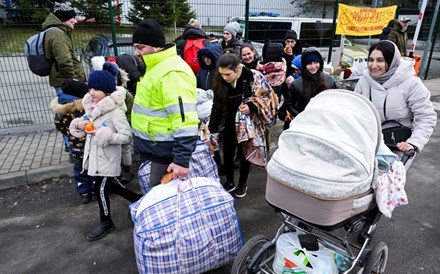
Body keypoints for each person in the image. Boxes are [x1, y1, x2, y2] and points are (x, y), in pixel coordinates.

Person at [69, 70, 142, 241]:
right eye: (90, 88)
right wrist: (80, 125)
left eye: (96, 89)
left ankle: (106, 221)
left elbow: (126, 136)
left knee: (100, 188)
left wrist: (102, 134)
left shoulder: (115, 112)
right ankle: (135, 198)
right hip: (95, 157)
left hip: (107, 159)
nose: (91, 92)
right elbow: (86, 126)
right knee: (107, 186)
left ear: (107, 91)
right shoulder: (92, 108)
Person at [131, 19, 199, 187]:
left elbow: (185, 121)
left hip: (168, 154)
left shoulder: (172, 73)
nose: (136, 53)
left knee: (159, 198)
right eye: (135, 47)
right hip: (159, 150)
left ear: (156, 47)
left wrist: (181, 161)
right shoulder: (157, 67)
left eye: (140, 47)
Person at [209, 53, 278, 198]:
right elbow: (216, 107)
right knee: (227, 153)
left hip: (248, 124)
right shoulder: (219, 81)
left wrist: (251, 107)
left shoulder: (253, 77)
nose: (224, 78)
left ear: (237, 69)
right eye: (221, 74)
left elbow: (265, 97)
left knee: (244, 154)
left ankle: (242, 183)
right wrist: (212, 130)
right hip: (228, 123)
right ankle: (229, 182)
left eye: (228, 74)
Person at [354, 40, 436, 154]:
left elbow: (425, 116)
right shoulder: (364, 81)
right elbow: (354, 110)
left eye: (380, 60)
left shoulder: (411, 83)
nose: (373, 65)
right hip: (369, 142)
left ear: (392, 61)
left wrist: (413, 142)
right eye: (371, 60)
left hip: (398, 144)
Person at [42, 2, 85, 156]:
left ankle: (71, 145)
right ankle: (74, 149)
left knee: (67, 114)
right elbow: (65, 60)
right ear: (63, 18)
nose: (75, 20)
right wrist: (72, 81)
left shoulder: (58, 31)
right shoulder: (57, 34)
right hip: (65, 82)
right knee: (70, 116)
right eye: (72, 17)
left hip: (62, 80)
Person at [50, 79, 95, 204]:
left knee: (79, 168)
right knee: (93, 167)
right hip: (89, 144)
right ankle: (94, 189)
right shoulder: (85, 108)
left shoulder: (61, 110)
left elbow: (59, 126)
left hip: (74, 146)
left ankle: (84, 192)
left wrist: (69, 135)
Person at [283, 48, 337, 129]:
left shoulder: (330, 81)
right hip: (302, 124)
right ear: (304, 65)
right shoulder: (296, 84)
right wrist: (302, 116)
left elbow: (335, 102)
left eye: (316, 62)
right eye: (309, 63)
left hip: (323, 124)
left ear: (320, 63)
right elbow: (289, 104)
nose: (313, 66)